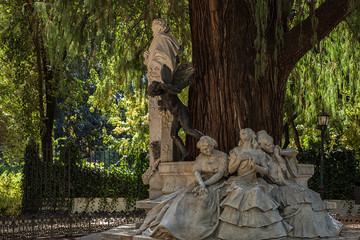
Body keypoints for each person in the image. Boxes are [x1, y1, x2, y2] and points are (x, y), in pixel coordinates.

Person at [136, 136, 228, 240]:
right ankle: (170, 226)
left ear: (212, 145)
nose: (205, 151)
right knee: (182, 198)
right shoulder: (201, 157)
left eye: (207, 148)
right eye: (203, 149)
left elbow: (219, 174)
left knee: (204, 198)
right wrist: (201, 183)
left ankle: (196, 229)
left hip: (215, 183)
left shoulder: (222, 156)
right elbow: (197, 172)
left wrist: (205, 184)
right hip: (200, 183)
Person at [257, 130, 343, 238]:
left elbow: (294, 152)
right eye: (268, 145)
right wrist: (278, 159)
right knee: (301, 196)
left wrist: (280, 154)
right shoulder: (262, 158)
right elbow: (276, 177)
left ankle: (321, 229)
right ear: (261, 146)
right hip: (279, 185)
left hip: (288, 184)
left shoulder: (275, 153)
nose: (271, 146)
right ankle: (300, 230)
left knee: (313, 195)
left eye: (272, 144)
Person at [217, 128, 291, 240]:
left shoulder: (259, 153)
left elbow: (265, 171)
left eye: (246, 131)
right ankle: (234, 233)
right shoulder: (236, 151)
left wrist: (255, 166)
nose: (242, 131)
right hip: (239, 180)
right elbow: (231, 170)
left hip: (254, 180)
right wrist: (239, 160)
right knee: (239, 192)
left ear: (252, 136)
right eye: (241, 131)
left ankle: (260, 232)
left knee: (257, 192)